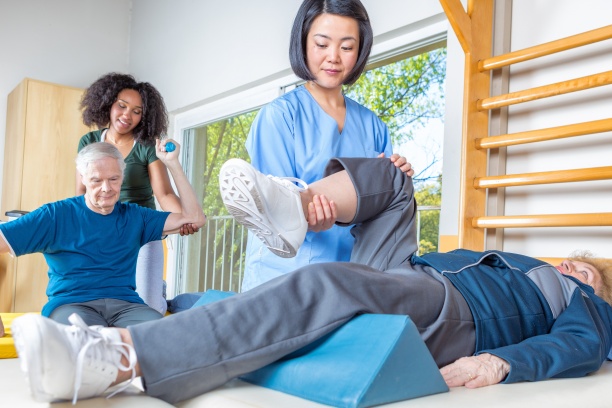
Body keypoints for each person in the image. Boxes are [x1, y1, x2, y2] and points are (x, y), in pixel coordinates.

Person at [11, 157, 612, 405]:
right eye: (572, 262)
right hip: (418, 273)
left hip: (457, 311)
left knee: (329, 284)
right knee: (397, 181)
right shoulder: (519, 260)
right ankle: (294, 209)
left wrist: (502, 363)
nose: (572, 270)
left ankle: (116, 359)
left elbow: (582, 345)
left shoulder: (582, 300)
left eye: (585, 272)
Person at [241, 0, 414, 290]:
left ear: (360, 50)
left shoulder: (373, 126)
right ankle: (298, 207)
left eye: (347, 47)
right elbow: (270, 215)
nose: (333, 57)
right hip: (283, 278)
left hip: (351, 277)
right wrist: (305, 217)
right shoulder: (279, 116)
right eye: (322, 44)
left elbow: (378, 209)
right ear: (303, 43)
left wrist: (398, 174)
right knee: (283, 203)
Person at [0, 141, 205, 330]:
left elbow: (195, 219)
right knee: (86, 339)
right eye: (96, 180)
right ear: (83, 179)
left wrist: (173, 163)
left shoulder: (136, 216)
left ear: (122, 177)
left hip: (127, 306)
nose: (106, 188)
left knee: (166, 334)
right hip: (70, 305)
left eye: (113, 179)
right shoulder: (54, 215)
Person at [77, 72, 199, 315]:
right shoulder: (89, 142)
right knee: (101, 302)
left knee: (149, 308)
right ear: (108, 103)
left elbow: (164, 194)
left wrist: (184, 218)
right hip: (103, 230)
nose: (127, 115)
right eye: (122, 106)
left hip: (141, 229)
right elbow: (82, 192)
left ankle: (158, 293)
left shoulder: (146, 145)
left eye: (137, 111)